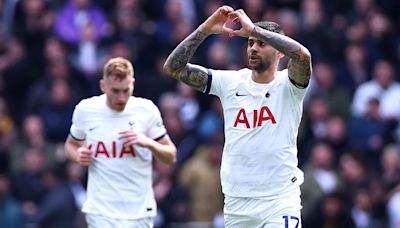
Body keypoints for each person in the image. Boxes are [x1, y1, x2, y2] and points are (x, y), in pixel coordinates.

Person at [163, 5, 312, 227]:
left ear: (280, 52)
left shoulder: (289, 85)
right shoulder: (231, 82)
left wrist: (254, 30)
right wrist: (204, 29)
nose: (253, 48)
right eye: (250, 43)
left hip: (279, 200)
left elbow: (302, 55)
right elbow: (173, 68)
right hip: (237, 203)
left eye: (261, 44)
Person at [64, 57, 177, 227]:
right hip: (100, 211)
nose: (122, 98)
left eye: (126, 90)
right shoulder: (86, 110)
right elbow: (71, 145)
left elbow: (171, 156)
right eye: (115, 91)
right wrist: (78, 155)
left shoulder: (146, 110)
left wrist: (147, 142)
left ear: (133, 84)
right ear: (103, 86)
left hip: (138, 212)